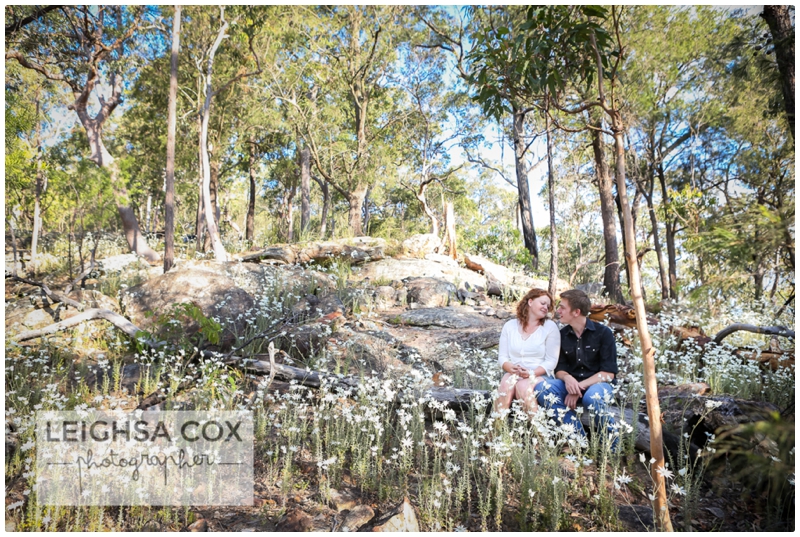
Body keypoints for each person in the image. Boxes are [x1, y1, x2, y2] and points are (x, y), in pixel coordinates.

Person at [536, 289, 619, 449]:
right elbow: (559, 369)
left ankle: (611, 446)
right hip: (571, 385)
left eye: (562, 308)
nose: (558, 311)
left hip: (598, 385)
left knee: (592, 398)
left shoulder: (604, 333)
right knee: (542, 389)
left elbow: (608, 373)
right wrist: (568, 379)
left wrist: (578, 388)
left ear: (576, 312)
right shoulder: (562, 334)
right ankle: (578, 440)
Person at [495, 288, 560, 418]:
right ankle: (497, 428)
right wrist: (509, 367)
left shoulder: (550, 327)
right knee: (505, 385)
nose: (545, 308)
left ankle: (539, 433)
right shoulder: (510, 326)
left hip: (540, 375)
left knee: (523, 387)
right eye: (542, 303)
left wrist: (531, 373)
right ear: (530, 302)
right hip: (514, 372)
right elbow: (502, 357)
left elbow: (551, 361)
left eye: (548, 306)